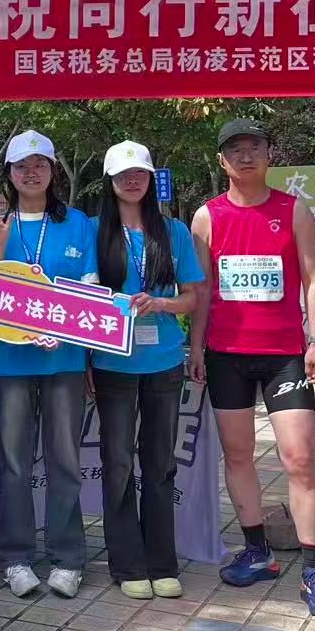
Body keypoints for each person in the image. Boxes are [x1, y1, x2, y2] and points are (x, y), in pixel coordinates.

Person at [189, 118, 315, 620]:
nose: (246, 155)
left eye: (254, 146)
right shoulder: (206, 216)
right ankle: (257, 551)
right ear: (222, 160)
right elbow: (201, 291)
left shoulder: (293, 209)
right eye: (235, 149)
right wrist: (196, 348)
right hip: (226, 354)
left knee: (299, 458)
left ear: (269, 154)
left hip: (284, 355)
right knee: (237, 455)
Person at [0, 129, 95, 599]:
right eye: (22, 166)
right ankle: (16, 557)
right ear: (9, 174)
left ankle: (68, 558)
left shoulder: (78, 223)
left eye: (40, 165)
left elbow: (90, 287)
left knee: (65, 460)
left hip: (64, 360)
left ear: (53, 172)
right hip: (12, 363)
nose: (31, 173)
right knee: (14, 464)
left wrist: (64, 333)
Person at [89, 140, 203, 601]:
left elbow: (192, 297)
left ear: (152, 179)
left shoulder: (173, 231)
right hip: (112, 363)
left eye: (140, 174)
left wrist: (160, 304)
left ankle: (162, 563)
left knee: (159, 462)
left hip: (165, 362)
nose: (132, 181)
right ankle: (127, 563)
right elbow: (82, 297)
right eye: (123, 175)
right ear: (110, 182)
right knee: (118, 462)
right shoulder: (95, 232)